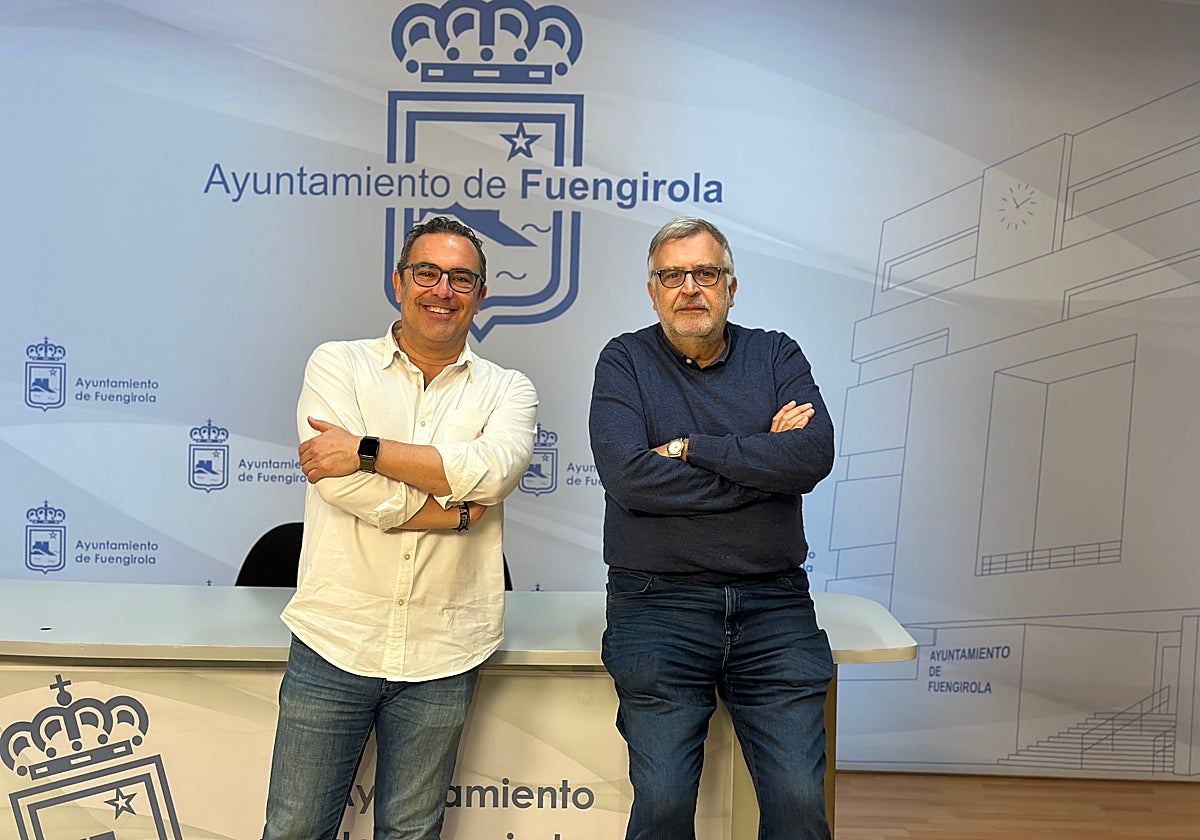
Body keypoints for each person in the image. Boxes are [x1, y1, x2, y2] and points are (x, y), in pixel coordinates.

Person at [261, 216, 538, 840]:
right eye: (427, 273)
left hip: (445, 648)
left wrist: (365, 449)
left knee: (411, 834)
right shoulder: (338, 363)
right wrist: (449, 509)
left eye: (461, 279)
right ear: (399, 282)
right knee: (294, 830)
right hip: (337, 638)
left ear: (481, 295)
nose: (442, 290)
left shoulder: (508, 390)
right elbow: (337, 482)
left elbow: (491, 474)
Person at [588, 217, 836, 839]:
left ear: (731, 287)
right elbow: (629, 479)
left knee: (800, 804)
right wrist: (761, 461)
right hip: (657, 606)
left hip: (773, 605)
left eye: (705, 273)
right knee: (665, 806)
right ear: (653, 291)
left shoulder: (775, 354)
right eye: (672, 275)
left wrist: (692, 448)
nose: (690, 288)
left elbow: (811, 455)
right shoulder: (624, 360)